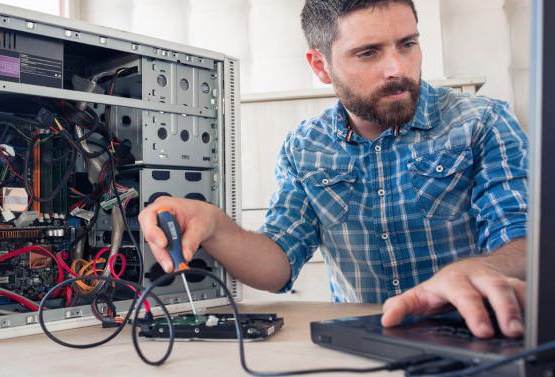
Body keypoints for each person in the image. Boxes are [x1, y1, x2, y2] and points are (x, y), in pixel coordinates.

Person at [139, 0, 528, 339]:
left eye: (408, 44)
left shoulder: (482, 122)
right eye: (368, 53)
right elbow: (278, 264)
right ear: (321, 66)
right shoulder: (305, 146)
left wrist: (475, 271)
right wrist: (216, 226)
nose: (397, 68)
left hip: (474, 333)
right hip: (359, 346)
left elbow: (527, 243)